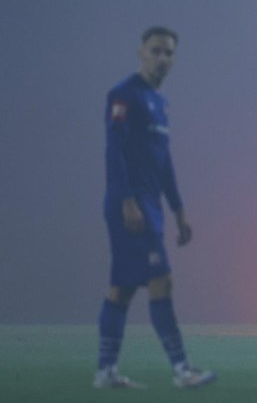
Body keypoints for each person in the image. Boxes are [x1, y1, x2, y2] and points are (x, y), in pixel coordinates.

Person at [94, 26, 216, 389]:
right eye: (155, 51)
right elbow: (114, 151)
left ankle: (105, 372)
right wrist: (128, 201)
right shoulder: (124, 95)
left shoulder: (160, 104)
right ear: (141, 52)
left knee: (123, 288)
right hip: (129, 204)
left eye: (168, 53)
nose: (162, 58)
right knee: (161, 279)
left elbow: (163, 164)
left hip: (152, 206)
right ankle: (182, 370)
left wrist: (178, 210)